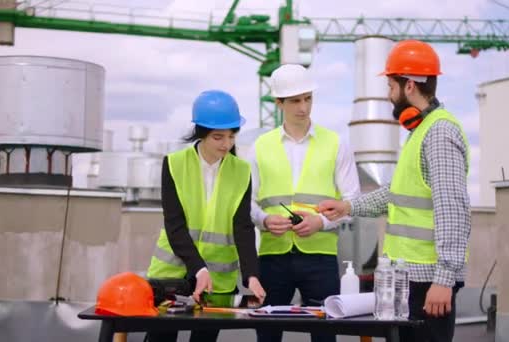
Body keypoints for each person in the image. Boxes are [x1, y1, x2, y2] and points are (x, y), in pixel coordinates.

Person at [319, 40, 471, 342]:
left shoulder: (439, 133)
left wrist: (444, 279)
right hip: (407, 279)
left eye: (391, 86)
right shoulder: (420, 132)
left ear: (410, 86)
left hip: (428, 282)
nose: (389, 95)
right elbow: (395, 193)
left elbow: (453, 209)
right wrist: (349, 207)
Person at [250, 64, 360, 342]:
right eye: (295, 100)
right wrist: (263, 219)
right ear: (279, 102)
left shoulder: (336, 144)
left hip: (320, 258)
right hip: (273, 257)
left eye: (308, 98)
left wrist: (320, 222)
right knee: (267, 335)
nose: (303, 107)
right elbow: (247, 201)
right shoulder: (260, 146)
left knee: (324, 336)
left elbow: (353, 202)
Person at [146, 89, 266, 342]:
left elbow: (242, 227)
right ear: (201, 134)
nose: (227, 144)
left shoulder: (242, 171)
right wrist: (198, 268)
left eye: (232, 136)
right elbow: (174, 225)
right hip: (171, 274)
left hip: (218, 281)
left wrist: (251, 276)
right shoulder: (174, 164)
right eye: (218, 137)